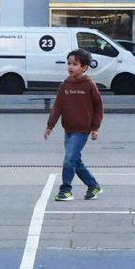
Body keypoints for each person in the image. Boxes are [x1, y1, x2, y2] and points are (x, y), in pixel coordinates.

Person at [43, 48, 104, 202]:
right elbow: (58, 107)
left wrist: (95, 128)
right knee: (75, 160)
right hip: (68, 129)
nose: (70, 67)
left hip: (82, 130)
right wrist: (50, 125)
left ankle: (65, 190)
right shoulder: (65, 85)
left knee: (69, 159)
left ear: (84, 67)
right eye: (69, 63)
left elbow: (98, 107)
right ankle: (93, 186)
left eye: (75, 64)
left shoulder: (89, 84)